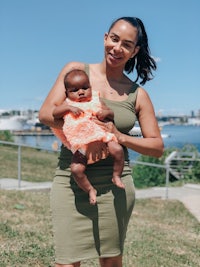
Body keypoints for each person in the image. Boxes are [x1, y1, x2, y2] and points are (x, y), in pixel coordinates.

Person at [39, 16, 164, 267]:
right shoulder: (75, 71)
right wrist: (85, 137)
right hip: (70, 178)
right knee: (66, 262)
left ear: (134, 51)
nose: (117, 48)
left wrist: (119, 136)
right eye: (114, 39)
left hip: (115, 184)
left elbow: (157, 147)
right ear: (105, 38)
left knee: (110, 261)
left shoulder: (137, 94)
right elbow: (45, 114)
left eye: (127, 44)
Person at [51, 69, 125, 205]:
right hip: (81, 143)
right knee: (76, 169)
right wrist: (68, 109)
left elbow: (110, 113)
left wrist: (105, 113)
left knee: (118, 150)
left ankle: (116, 176)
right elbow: (55, 113)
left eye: (85, 88)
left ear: (91, 87)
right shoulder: (67, 103)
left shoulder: (96, 100)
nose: (81, 92)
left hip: (101, 137)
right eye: (75, 90)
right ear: (67, 93)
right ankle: (90, 189)